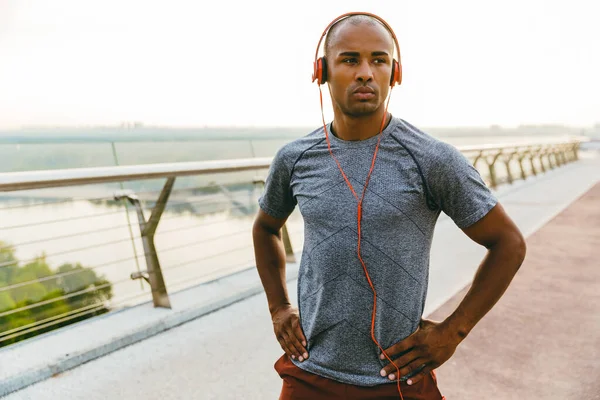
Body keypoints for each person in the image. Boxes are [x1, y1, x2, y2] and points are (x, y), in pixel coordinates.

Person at [252, 12, 526, 400]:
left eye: (378, 60)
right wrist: (278, 307)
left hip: (396, 379)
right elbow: (265, 228)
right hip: (309, 374)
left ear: (394, 74)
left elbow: (509, 243)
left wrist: (453, 332)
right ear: (322, 71)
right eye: (350, 60)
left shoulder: (432, 159)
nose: (365, 72)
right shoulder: (295, 158)